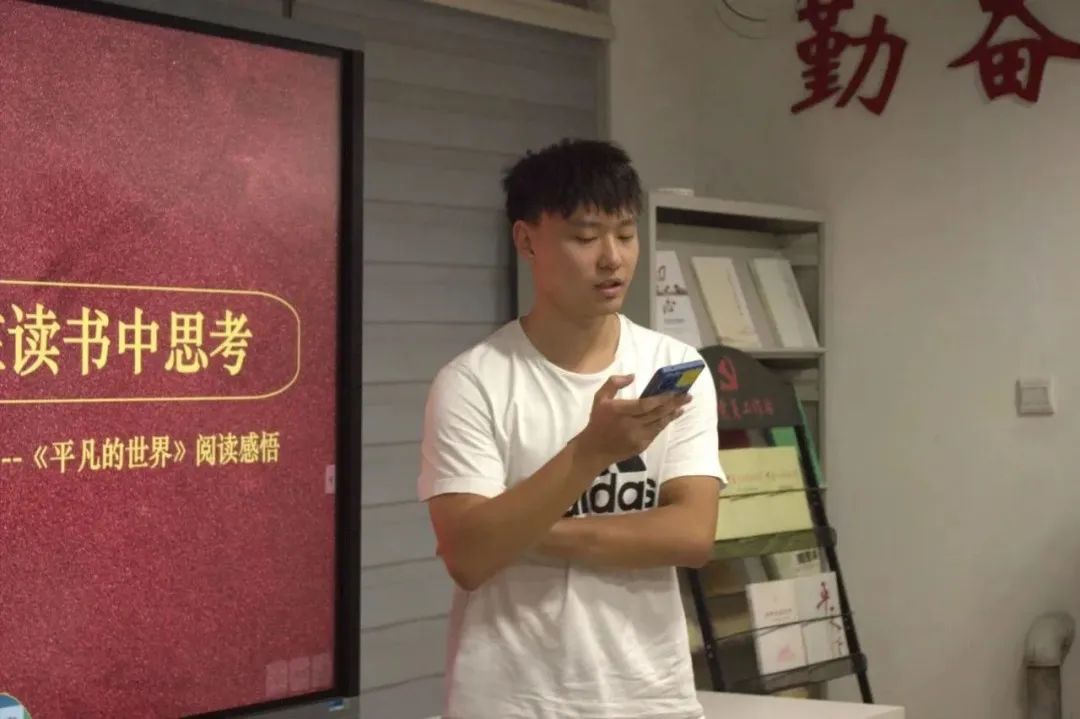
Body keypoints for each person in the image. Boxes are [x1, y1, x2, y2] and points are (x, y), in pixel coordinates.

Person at [417, 138, 726, 719]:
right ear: (526, 240)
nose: (612, 258)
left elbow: (691, 536)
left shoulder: (673, 367)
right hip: (510, 700)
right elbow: (470, 559)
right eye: (585, 238)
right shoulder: (473, 382)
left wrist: (519, 527)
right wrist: (590, 453)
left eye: (626, 235)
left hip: (649, 697)